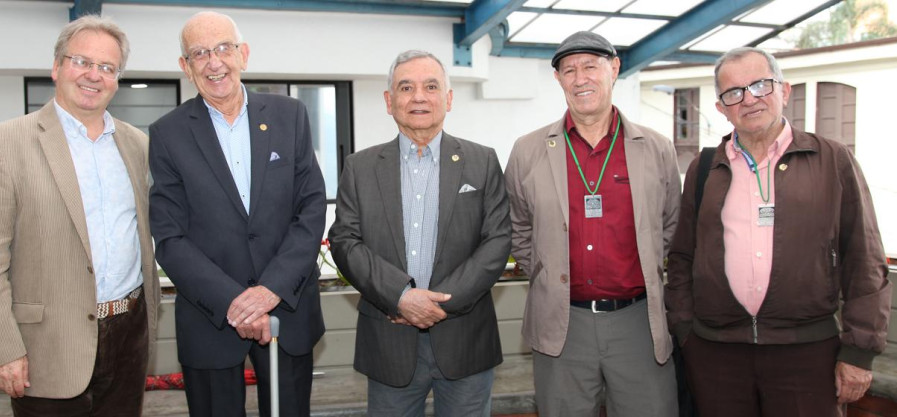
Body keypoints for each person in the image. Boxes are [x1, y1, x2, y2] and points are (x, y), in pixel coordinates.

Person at [665, 46, 891, 416]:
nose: (749, 99)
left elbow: (863, 259)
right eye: (733, 93)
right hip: (716, 354)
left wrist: (859, 352)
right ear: (722, 108)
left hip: (807, 353)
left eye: (760, 85)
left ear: (784, 91)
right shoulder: (704, 168)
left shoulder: (832, 159)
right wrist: (686, 331)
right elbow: (682, 256)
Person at [0, 15, 160, 416]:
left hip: (128, 336)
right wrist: (3, 349)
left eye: (107, 67)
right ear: (56, 67)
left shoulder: (136, 144)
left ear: (117, 79)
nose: (93, 75)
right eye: (81, 61)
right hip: (47, 347)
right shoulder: (3, 143)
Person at [148, 11, 327, 417]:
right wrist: (235, 302)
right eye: (199, 53)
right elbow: (170, 237)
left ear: (243, 54)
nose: (214, 62)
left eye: (224, 48)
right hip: (209, 318)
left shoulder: (290, 116)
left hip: (288, 312)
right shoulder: (167, 133)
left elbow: (311, 209)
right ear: (185, 66)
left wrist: (270, 291)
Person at [504, 31, 681, 416]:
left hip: (639, 322)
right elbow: (517, 225)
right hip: (562, 325)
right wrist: (545, 270)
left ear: (614, 69)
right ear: (558, 80)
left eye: (590, 66)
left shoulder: (656, 148)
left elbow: (671, 225)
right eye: (568, 70)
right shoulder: (528, 150)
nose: (580, 78)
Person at [328, 50, 511, 417]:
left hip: (465, 339)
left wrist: (438, 304)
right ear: (389, 101)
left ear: (448, 98)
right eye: (406, 87)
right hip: (389, 340)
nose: (419, 97)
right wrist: (400, 296)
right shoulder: (360, 167)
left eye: (431, 86)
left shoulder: (483, 160)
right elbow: (344, 241)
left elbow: (498, 241)